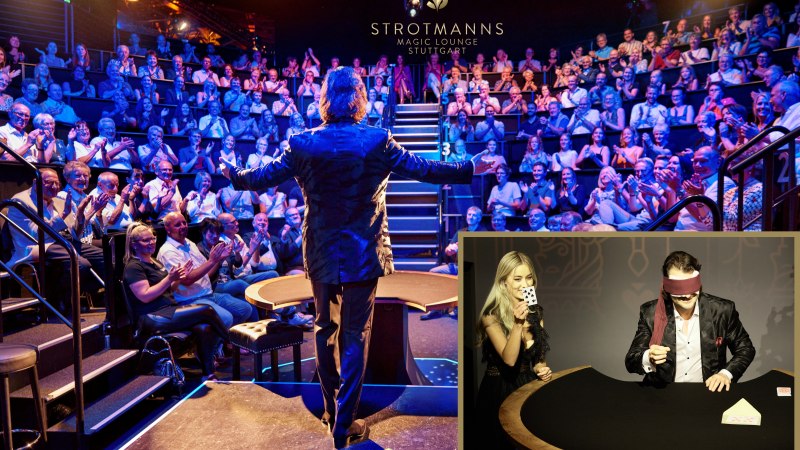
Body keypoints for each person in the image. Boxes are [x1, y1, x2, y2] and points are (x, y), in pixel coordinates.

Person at [220, 66, 490, 448]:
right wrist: (469, 167)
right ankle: (343, 423)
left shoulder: (302, 143)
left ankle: (334, 414)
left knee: (323, 329)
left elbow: (259, 176)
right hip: (365, 250)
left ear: (325, 99)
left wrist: (233, 173)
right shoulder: (377, 140)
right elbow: (425, 170)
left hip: (321, 250)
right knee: (355, 335)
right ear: (360, 98)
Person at [624, 251, 755, 390]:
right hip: (663, 394)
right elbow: (631, 360)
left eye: (690, 286)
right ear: (666, 287)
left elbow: (745, 349)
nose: (686, 295)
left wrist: (726, 374)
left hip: (707, 393)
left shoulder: (722, 310)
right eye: (679, 288)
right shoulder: (650, 313)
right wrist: (648, 357)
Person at [476, 251, 551, 450]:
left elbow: (539, 360)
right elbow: (509, 360)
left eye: (529, 278)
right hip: (499, 388)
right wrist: (518, 324)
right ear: (503, 282)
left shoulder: (537, 313)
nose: (524, 284)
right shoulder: (491, 316)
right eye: (517, 279)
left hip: (527, 388)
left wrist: (541, 370)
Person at [157, 212, 254, 329]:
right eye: (177, 225)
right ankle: (220, 343)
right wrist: (212, 261)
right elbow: (187, 280)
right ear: (168, 229)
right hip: (190, 300)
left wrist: (219, 259)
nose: (183, 226)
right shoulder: (169, 251)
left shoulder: (189, 243)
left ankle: (228, 339)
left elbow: (206, 274)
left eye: (184, 222)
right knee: (227, 317)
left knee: (245, 309)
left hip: (208, 294)